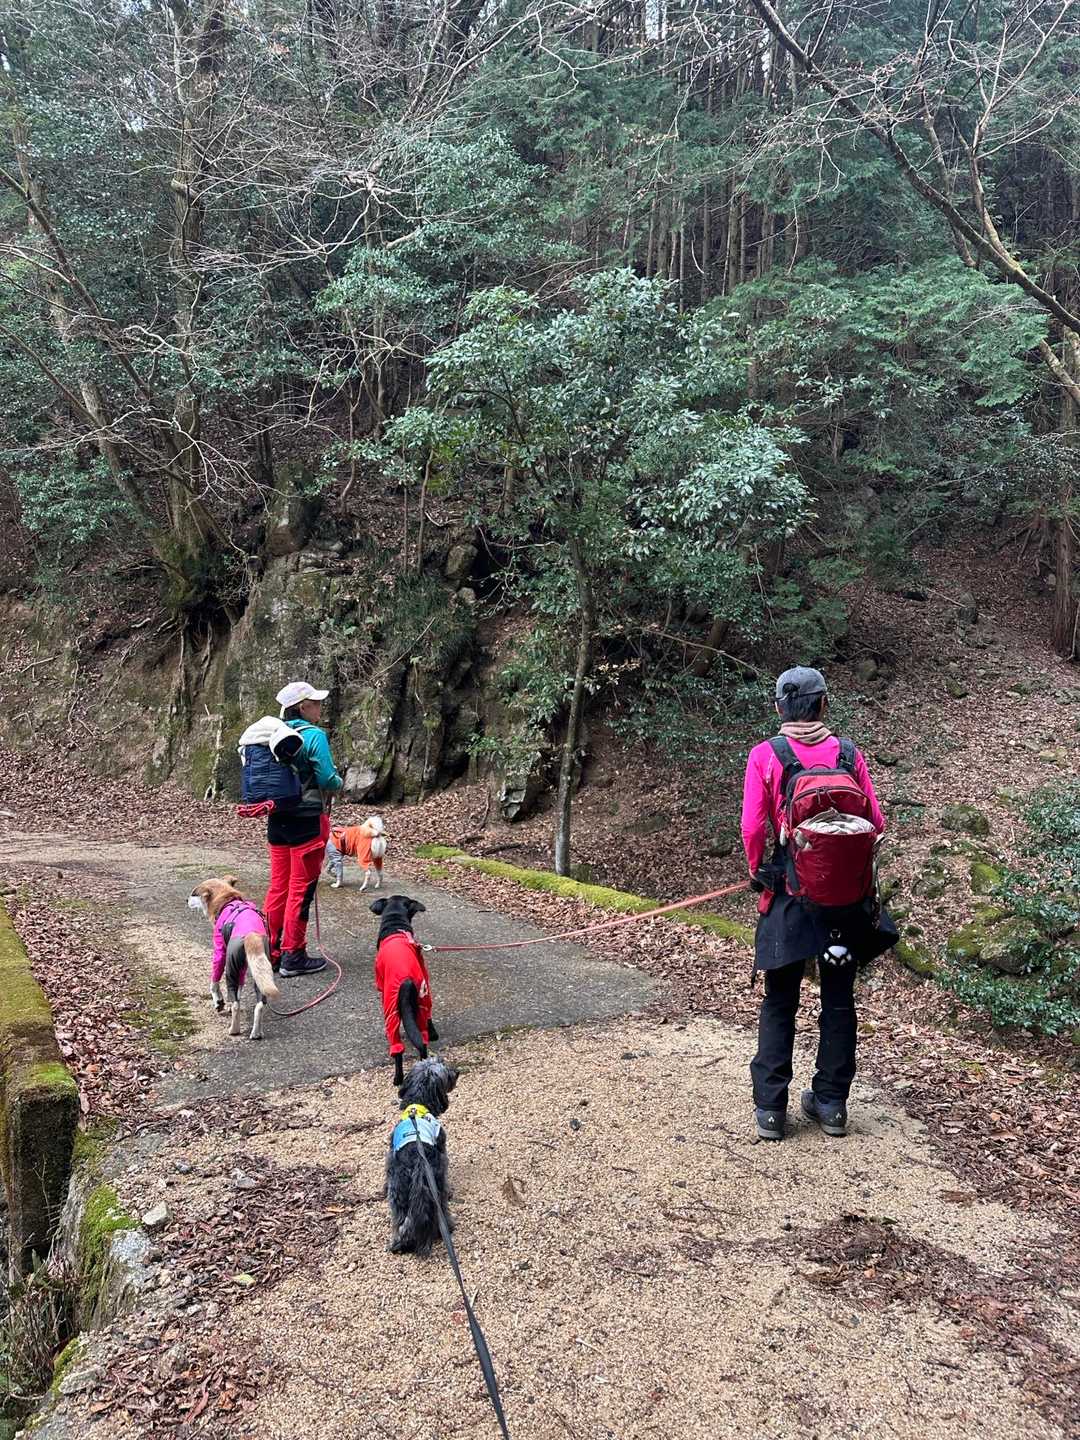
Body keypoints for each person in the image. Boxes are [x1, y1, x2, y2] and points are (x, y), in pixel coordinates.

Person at [741, 666, 897, 1142]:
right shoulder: (849, 754)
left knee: (780, 1000)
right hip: (845, 906)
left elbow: (753, 827)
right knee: (838, 1000)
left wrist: (758, 870)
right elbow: (876, 823)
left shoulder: (766, 756)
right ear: (824, 704)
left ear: (779, 708)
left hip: (789, 899)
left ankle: (771, 1109)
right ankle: (831, 1105)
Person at [264, 680, 343, 978]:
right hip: (306, 821)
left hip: (277, 821)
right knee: (301, 889)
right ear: (303, 707)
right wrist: (339, 781)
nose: (320, 707)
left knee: (278, 887)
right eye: (316, 702)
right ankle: (293, 955)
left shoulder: (272, 733)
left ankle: (271, 951)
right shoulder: (314, 736)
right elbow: (327, 779)